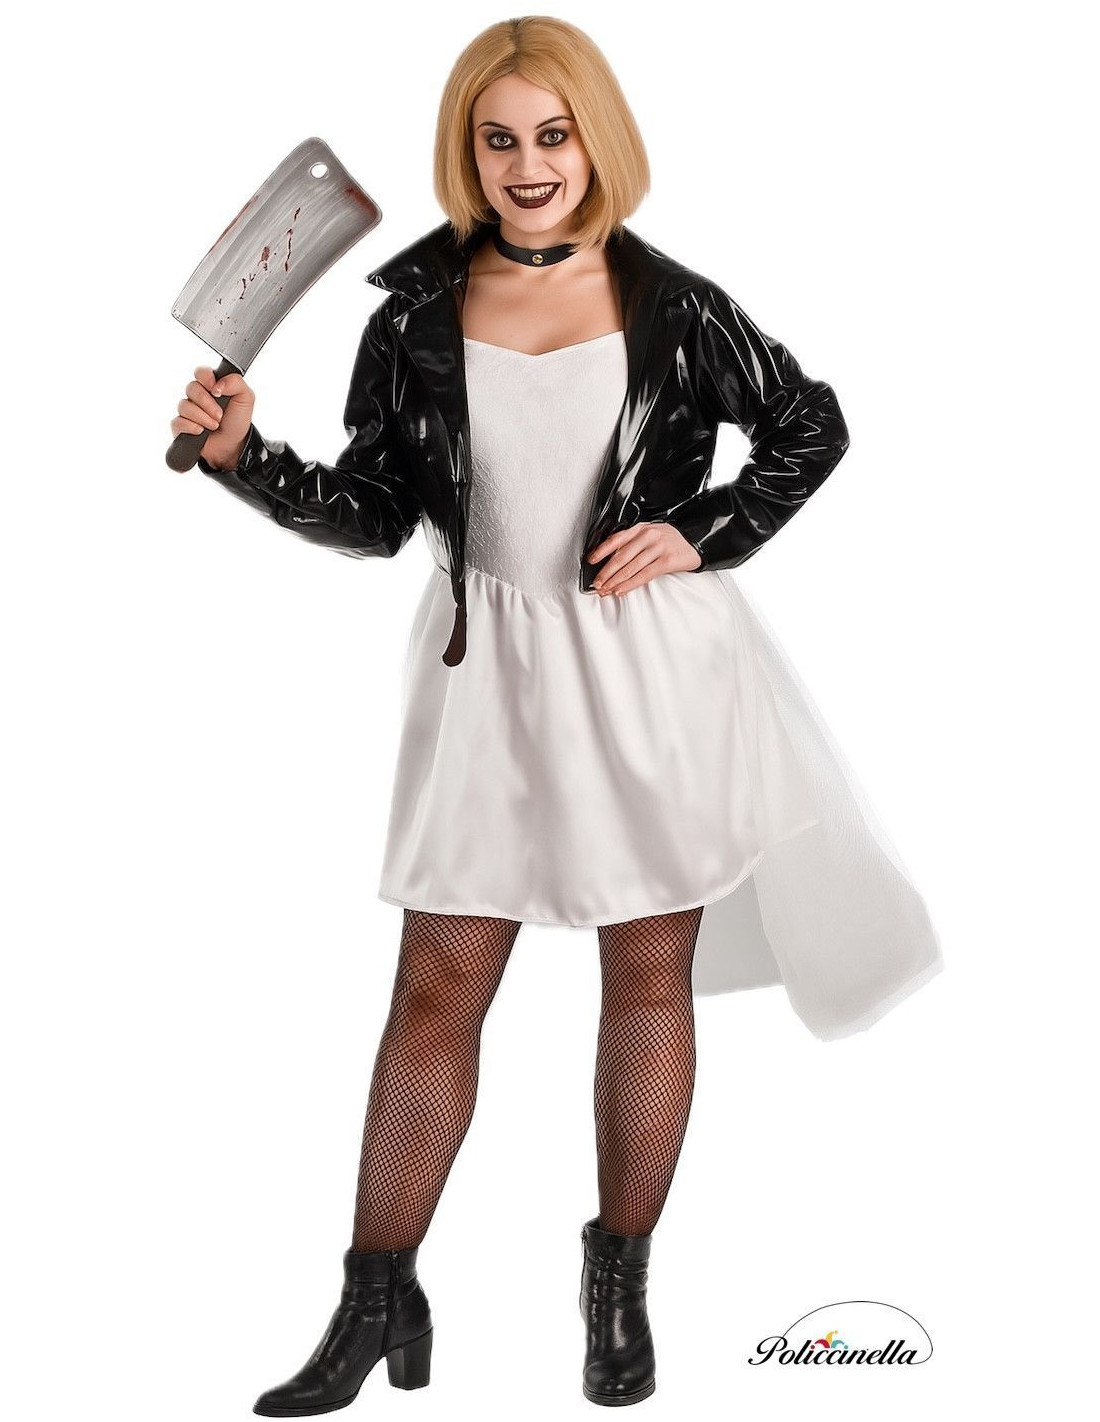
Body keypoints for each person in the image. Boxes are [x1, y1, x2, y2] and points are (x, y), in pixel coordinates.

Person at [169, 16, 942, 1413]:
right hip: (486, 680)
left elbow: (811, 423)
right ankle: (376, 1295)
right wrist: (245, 459)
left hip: (650, 680)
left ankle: (618, 1280)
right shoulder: (413, 314)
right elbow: (376, 512)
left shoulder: (675, 306)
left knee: (645, 979)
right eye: (498, 139)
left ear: (597, 141)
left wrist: (704, 529)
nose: (528, 165)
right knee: (435, 987)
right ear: (466, 151)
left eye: (553, 134)